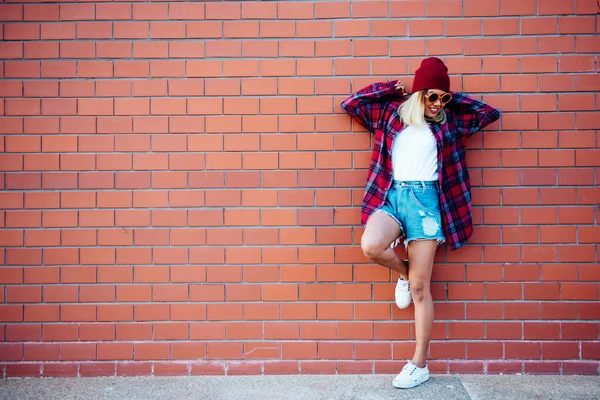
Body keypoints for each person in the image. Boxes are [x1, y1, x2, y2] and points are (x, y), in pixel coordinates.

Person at [341, 57, 501, 389]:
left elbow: (488, 113)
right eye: (432, 96)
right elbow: (351, 105)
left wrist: (449, 98)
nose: (438, 104)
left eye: (444, 98)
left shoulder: (450, 122)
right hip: (393, 196)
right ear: (418, 94)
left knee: (420, 289)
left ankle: (419, 364)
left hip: (428, 204)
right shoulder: (390, 115)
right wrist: (389, 89)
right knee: (371, 245)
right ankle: (403, 272)